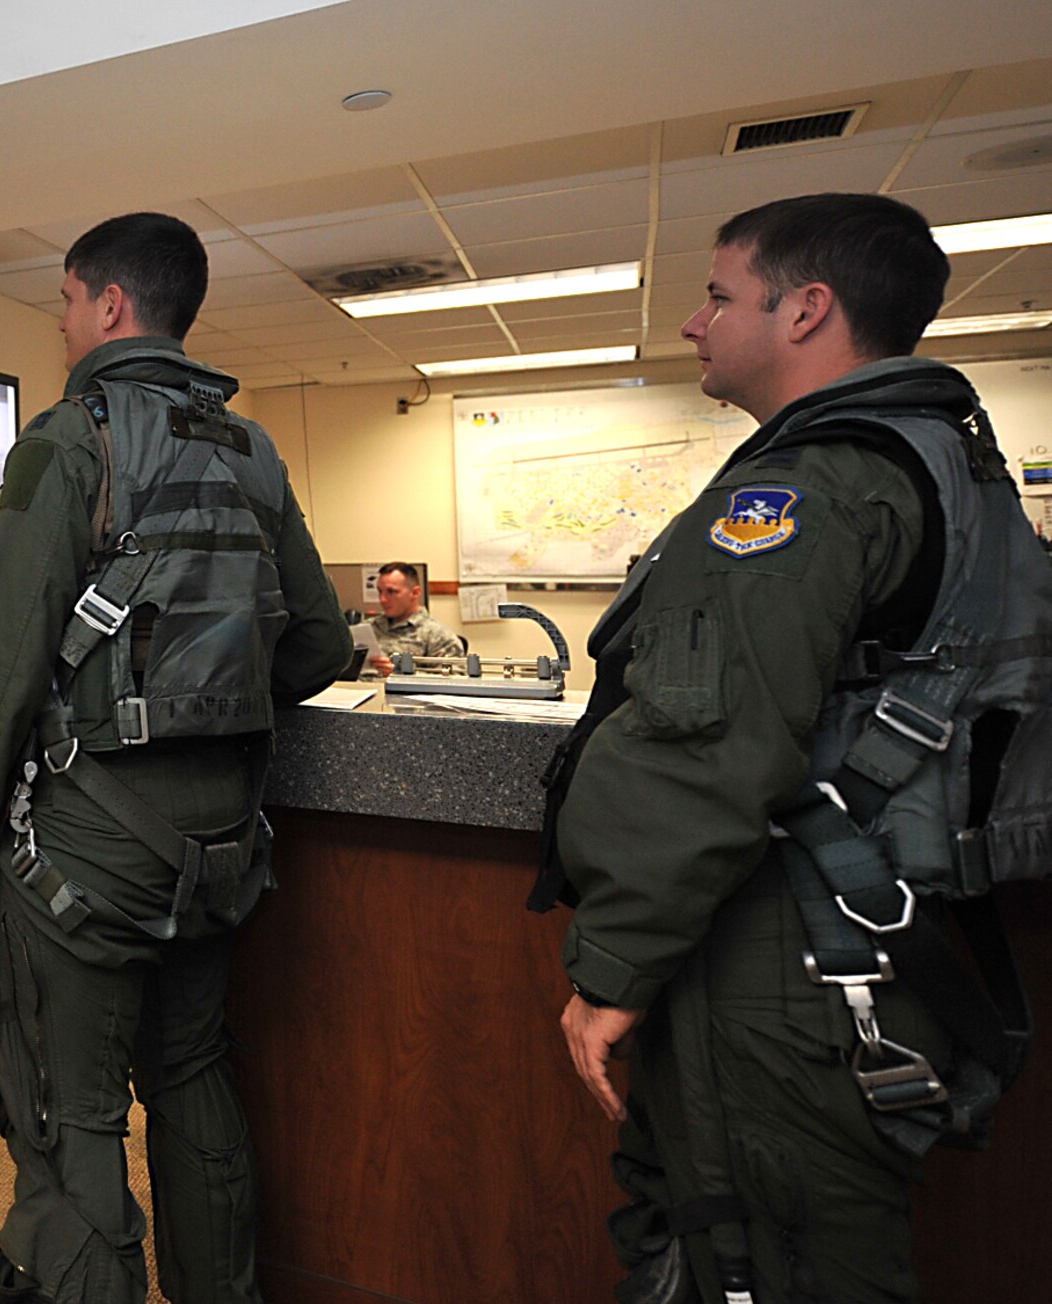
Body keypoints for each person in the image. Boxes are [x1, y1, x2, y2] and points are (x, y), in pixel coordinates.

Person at [538, 192, 1051, 1302]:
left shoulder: (810, 486)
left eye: (718, 295)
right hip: (873, 932)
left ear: (805, 310)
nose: (692, 322)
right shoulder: (947, 462)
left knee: (763, 1255)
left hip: (789, 952)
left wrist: (611, 969)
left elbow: (704, 740)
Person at [0, 212, 349, 1304]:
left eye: (63, 301)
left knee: (72, 1108)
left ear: (107, 304)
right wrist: (209, 709)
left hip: (85, 853)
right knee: (193, 1073)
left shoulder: (71, 439)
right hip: (219, 841)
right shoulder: (249, 447)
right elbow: (317, 641)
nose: (60, 325)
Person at [366, 561, 464, 672]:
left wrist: (401, 674)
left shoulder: (436, 634)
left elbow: (454, 678)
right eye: (380, 592)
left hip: (401, 689)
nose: (382, 599)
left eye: (391, 592)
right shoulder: (369, 627)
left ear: (415, 593)